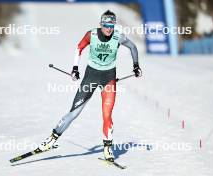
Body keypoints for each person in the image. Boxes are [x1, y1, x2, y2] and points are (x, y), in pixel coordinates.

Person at [38, 10, 142, 162]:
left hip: (108, 79)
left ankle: (107, 149)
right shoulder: (91, 35)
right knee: (74, 113)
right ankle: (51, 140)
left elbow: (133, 47)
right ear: (101, 24)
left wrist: (136, 66)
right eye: (106, 25)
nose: (109, 28)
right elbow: (79, 47)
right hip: (90, 78)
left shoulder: (118, 36)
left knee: (107, 115)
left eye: (112, 25)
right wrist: (75, 68)